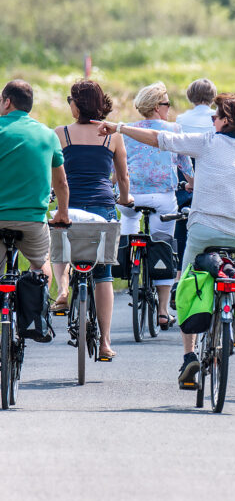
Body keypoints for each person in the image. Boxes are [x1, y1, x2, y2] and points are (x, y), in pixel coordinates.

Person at [93, 92, 235, 385]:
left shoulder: (207, 143)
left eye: (216, 117)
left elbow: (158, 139)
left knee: (189, 280)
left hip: (204, 231)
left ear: (226, 122)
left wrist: (120, 128)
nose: (212, 120)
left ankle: (189, 356)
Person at [53, 79, 132, 358]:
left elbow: (55, 175)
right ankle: (106, 342)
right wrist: (125, 198)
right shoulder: (112, 135)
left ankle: (63, 290)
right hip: (102, 206)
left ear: (77, 104)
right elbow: (122, 177)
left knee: (60, 245)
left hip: (70, 204)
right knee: (103, 274)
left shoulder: (60, 134)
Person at [115, 81, 193, 330]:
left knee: (128, 221)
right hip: (162, 197)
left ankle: (129, 261)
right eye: (167, 104)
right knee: (164, 245)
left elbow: (116, 166)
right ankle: (162, 310)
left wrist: (112, 185)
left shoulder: (126, 130)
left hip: (130, 196)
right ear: (157, 107)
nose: (169, 108)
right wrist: (191, 183)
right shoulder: (173, 128)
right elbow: (184, 164)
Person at [0, 79, 70, 342]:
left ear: (7, 102)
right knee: (41, 265)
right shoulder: (47, 134)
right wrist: (62, 213)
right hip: (32, 221)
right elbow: (61, 183)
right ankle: (35, 318)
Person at [171, 78, 217, 306]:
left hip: (185, 172)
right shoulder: (217, 119)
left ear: (190, 97)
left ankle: (180, 275)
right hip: (210, 172)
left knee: (181, 221)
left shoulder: (181, 120)